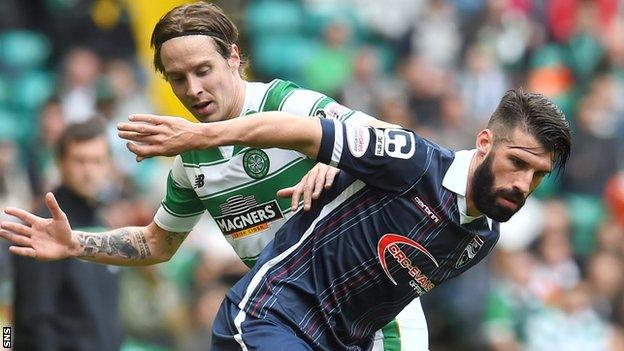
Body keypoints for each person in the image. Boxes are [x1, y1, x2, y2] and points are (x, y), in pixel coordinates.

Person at [1, 2, 428, 350]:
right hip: (291, 325)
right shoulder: (191, 161)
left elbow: (393, 137)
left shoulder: (287, 103)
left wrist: (334, 157)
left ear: (234, 58)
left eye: (203, 70)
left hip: (372, 320)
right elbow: (155, 243)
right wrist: (76, 243)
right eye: (178, 78)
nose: (193, 89)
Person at [110, 88, 571, 350]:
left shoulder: (483, 236)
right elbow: (300, 130)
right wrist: (199, 135)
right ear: (486, 142)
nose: (523, 184)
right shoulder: (412, 160)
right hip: (272, 320)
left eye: (538, 175)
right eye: (518, 162)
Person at [11, 119, 123, 351]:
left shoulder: (103, 225)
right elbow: (33, 319)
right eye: (80, 161)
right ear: (60, 163)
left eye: (97, 161)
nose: (89, 171)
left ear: (109, 166)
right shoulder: (43, 229)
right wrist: (5, 343)